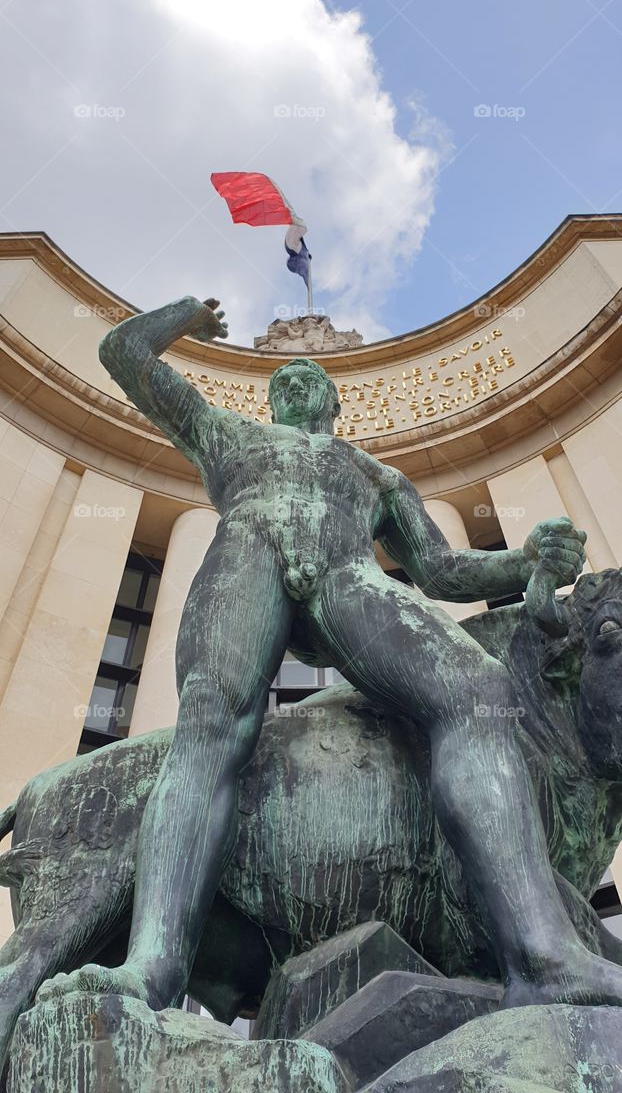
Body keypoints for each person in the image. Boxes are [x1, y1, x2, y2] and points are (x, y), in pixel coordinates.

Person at [38, 295, 622, 1012]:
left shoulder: (375, 475)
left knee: (477, 690)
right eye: (286, 377)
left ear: (335, 402)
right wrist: (187, 315)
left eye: (313, 376)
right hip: (246, 556)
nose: (298, 379)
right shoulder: (227, 433)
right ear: (273, 399)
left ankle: (543, 955)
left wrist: (524, 561)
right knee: (210, 731)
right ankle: (155, 964)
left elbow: (442, 572)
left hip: (349, 576)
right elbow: (122, 354)